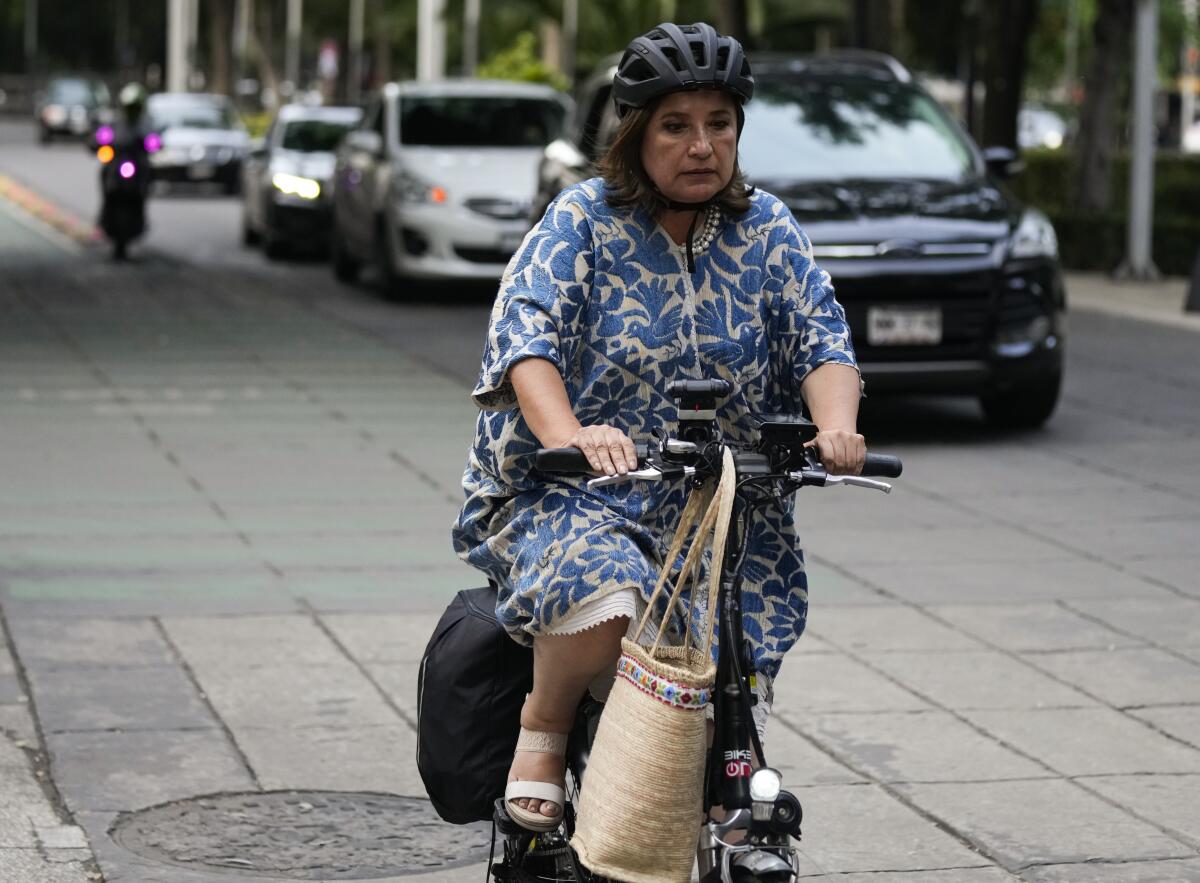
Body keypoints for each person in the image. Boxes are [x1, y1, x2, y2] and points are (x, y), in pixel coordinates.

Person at [452, 21, 865, 833]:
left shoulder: (769, 229)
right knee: (607, 591)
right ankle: (544, 729)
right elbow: (525, 337)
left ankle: (716, 778)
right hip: (577, 493)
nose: (702, 145)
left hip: (720, 507)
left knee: (726, 686)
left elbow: (822, 336)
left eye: (720, 123)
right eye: (677, 125)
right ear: (634, 133)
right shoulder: (584, 221)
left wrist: (836, 426)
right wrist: (569, 432)